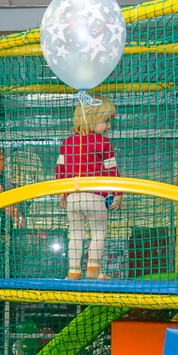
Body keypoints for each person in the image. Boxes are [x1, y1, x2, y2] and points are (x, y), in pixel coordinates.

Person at [55, 95, 119, 280]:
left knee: (75, 234)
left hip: (73, 198)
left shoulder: (67, 143)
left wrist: (63, 193)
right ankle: (93, 269)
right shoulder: (103, 142)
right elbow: (112, 170)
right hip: (94, 196)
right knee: (98, 232)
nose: (108, 127)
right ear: (91, 119)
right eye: (105, 121)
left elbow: (60, 170)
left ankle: (74, 271)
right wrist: (118, 193)